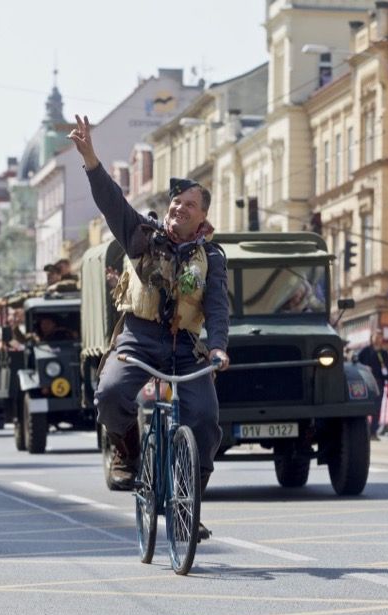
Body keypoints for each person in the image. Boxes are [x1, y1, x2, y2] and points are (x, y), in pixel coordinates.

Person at [69, 115, 230, 531]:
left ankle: (187, 509)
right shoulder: (142, 235)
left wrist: (218, 347)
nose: (178, 208)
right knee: (108, 395)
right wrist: (91, 160)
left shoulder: (211, 257)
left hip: (187, 346)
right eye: (176, 203)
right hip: (140, 338)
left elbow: (216, 307)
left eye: (189, 205)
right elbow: (112, 202)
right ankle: (130, 451)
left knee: (206, 422)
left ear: (203, 216)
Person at [357, 330, 388, 439]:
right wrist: (364, 368)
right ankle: (362, 430)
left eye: (380, 337)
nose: (378, 339)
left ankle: (373, 432)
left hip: (378, 381)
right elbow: (356, 362)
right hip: (366, 381)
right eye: (376, 337)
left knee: (377, 407)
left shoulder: (384, 353)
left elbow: (387, 368)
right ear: (372, 338)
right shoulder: (365, 351)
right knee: (364, 406)